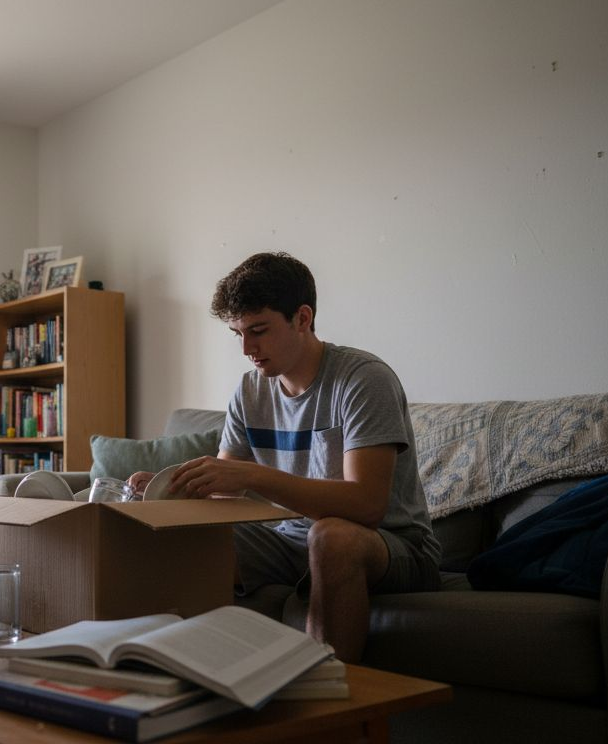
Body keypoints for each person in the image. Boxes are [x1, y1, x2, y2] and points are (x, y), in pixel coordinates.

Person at [129, 252, 439, 662]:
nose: (247, 348)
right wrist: (176, 488)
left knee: (330, 536)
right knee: (180, 537)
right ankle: (179, 678)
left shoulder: (362, 380)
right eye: (237, 333)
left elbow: (366, 506)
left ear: (303, 318)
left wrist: (253, 476)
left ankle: (325, 698)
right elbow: (225, 503)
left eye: (259, 330)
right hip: (288, 541)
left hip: (392, 546)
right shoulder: (249, 392)